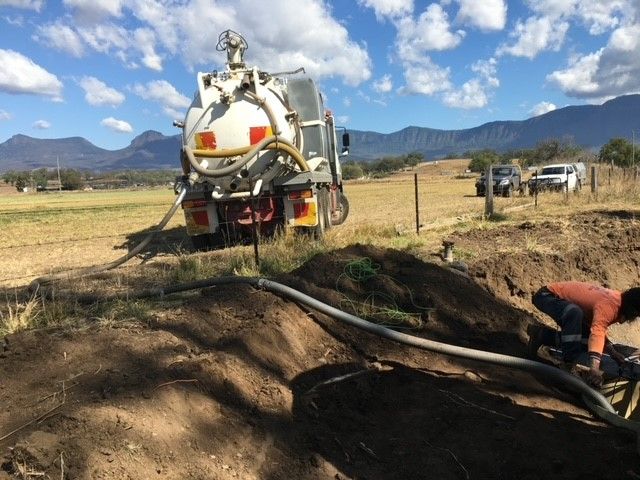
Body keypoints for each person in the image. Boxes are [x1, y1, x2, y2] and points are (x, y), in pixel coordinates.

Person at [528, 281, 640, 387]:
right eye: (636, 314)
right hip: (546, 296)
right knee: (574, 313)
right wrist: (594, 369)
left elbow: (595, 329)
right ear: (632, 309)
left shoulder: (618, 302)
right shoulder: (611, 305)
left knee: (587, 341)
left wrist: (613, 352)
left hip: (559, 302)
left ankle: (540, 335)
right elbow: (597, 332)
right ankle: (568, 365)